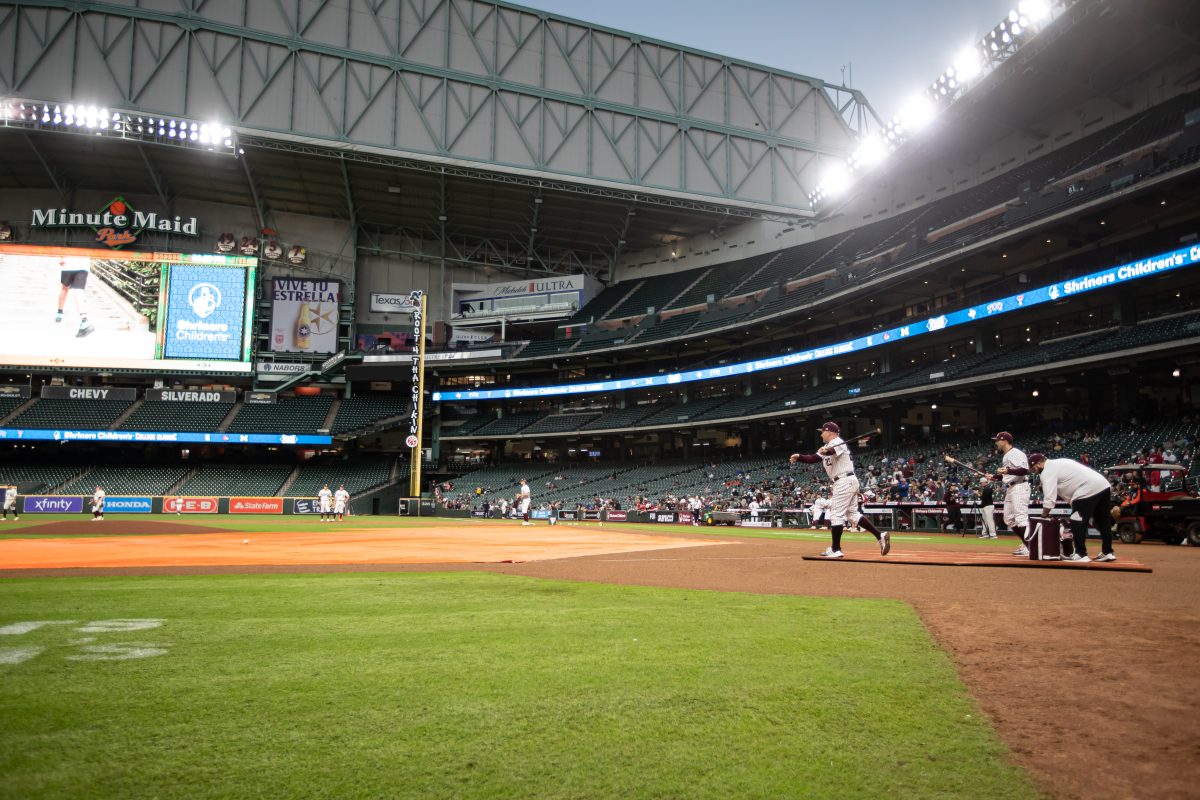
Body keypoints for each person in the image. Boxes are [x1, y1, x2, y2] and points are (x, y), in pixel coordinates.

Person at [790, 422, 890, 559]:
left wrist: (828, 451)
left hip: (844, 480)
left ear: (829, 432)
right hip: (846, 481)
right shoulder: (827, 446)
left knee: (836, 515)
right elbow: (813, 458)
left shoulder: (838, 442)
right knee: (852, 514)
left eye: (822, 431)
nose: (821, 434)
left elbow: (832, 451)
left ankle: (836, 549)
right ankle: (880, 535)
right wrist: (799, 456)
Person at [1030, 453, 1117, 562]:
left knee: (1076, 520)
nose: (1034, 471)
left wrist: (1044, 515)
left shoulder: (1047, 471)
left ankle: (1081, 554)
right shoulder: (1060, 461)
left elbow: (1049, 499)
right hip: (1103, 485)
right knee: (1103, 521)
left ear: (1039, 463)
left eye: (1033, 468)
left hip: (1087, 489)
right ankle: (1108, 552)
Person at [991, 431, 1031, 556]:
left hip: (1019, 487)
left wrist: (1008, 470)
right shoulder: (1006, 455)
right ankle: (1027, 544)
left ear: (1004, 440)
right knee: (1008, 519)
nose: (996, 442)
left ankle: (1031, 546)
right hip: (1011, 487)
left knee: (1020, 518)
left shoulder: (1016, 453)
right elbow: (1009, 474)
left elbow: (1024, 470)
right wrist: (995, 477)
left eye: (997, 440)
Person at [56, 258, 94, 338]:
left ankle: (59, 312)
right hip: (83, 264)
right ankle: (84, 320)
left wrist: (61, 257)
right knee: (78, 290)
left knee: (65, 288)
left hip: (69, 263)